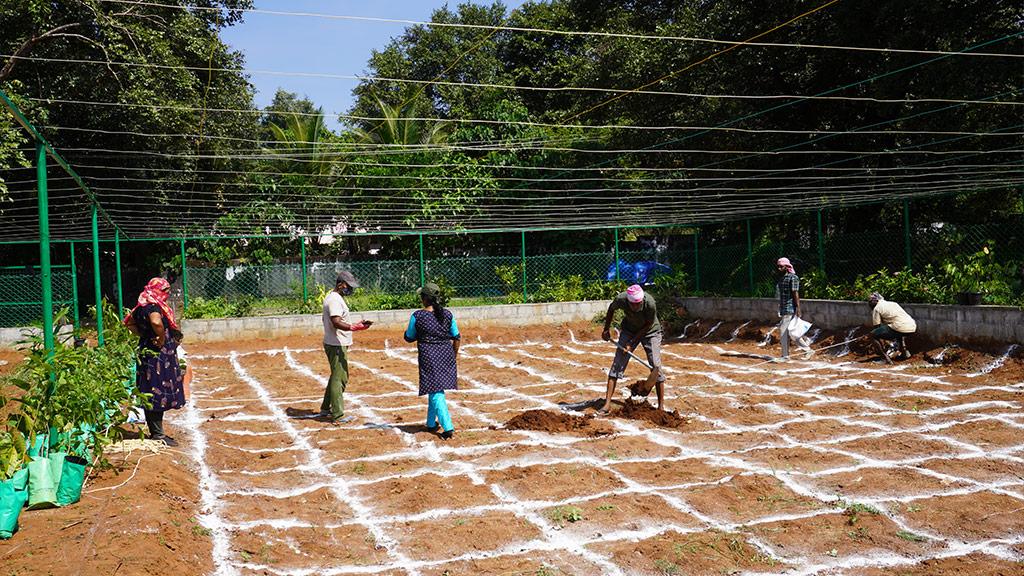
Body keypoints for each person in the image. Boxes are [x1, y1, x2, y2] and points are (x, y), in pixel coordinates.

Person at [123, 277, 186, 446]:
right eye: (165, 291)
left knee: (149, 389)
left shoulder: (141, 305)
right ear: (157, 290)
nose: (167, 294)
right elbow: (156, 321)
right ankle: (158, 434)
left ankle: (156, 431)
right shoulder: (152, 306)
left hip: (148, 351)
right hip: (158, 355)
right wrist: (159, 336)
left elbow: (129, 324)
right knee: (158, 390)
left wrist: (144, 335)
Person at [403, 282, 461, 440]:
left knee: (436, 392)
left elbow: (409, 337)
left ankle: (448, 428)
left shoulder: (418, 316)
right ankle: (430, 423)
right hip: (446, 354)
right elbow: (456, 337)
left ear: (424, 298)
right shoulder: (447, 314)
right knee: (434, 388)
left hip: (429, 357)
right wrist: (453, 355)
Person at [600, 284, 666, 413]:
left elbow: (648, 324)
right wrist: (606, 329)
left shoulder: (650, 303)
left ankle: (661, 406)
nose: (636, 306)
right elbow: (611, 309)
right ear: (628, 301)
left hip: (651, 332)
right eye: (633, 304)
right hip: (629, 330)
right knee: (617, 364)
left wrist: (631, 343)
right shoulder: (621, 299)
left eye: (638, 303)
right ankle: (607, 404)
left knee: (656, 366)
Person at [320, 271, 372, 424]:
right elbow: (336, 321)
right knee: (340, 378)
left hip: (336, 342)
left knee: (336, 375)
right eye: (348, 286)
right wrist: (354, 327)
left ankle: (325, 407)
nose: (350, 289)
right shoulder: (334, 300)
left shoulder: (335, 297)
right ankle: (337, 415)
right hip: (336, 343)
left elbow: (339, 319)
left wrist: (356, 326)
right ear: (340, 284)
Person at [775, 257, 813, 360]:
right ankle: (808, 349)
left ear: (787, 267)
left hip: (790, 308)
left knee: (783, 331)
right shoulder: (781, 279)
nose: (779, 268)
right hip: (783, 309)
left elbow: (795, 294)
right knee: (792, 333)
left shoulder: (793, 278)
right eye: (778, 266)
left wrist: (798, 308)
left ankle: (785, 356)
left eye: (781, 266)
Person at [868, 292, 916, 363]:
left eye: (870, 301)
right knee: (897, 331)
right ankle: (904, 353)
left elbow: (876, 328)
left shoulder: (877, 308)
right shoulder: (893, 303)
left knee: (872, 335)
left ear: (876, 300)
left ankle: (885, 358)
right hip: (912, 326)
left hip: (899, 327)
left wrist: (881, 344)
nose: (869, 304)